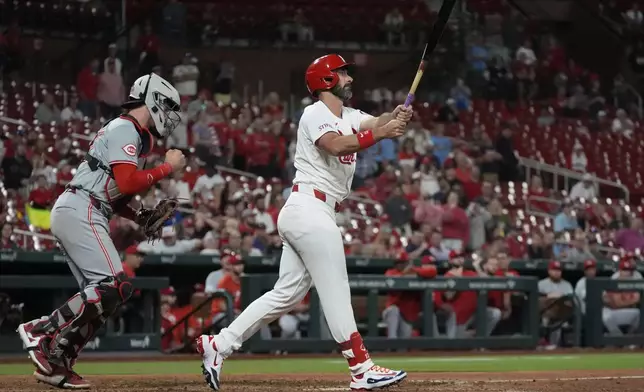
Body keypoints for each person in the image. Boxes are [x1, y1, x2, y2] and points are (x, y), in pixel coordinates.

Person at [197, 54, 410, 391]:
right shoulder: (314, 114)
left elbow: (375, 122)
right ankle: (361, 367)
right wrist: (383, 133)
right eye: (342, 73)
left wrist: (394, 118)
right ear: (326, 79)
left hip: (314, 211)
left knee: (285, 295)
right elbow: (335, 144)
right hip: (309, 207)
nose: (348, 78)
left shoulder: (350, 115)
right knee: (336, 285)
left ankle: (218, 344)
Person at [16, 73, 185, 389]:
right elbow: (126, 183)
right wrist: (167, 169)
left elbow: (115, 192)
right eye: (168, 106)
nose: (171, 115)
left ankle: (57, 360)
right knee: (111, 285)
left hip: (86, 207)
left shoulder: (128, 132)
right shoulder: (125, 128)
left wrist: (139, 216)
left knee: (109, 295)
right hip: (82, 208)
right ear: (155, 100)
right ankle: (41, 331)